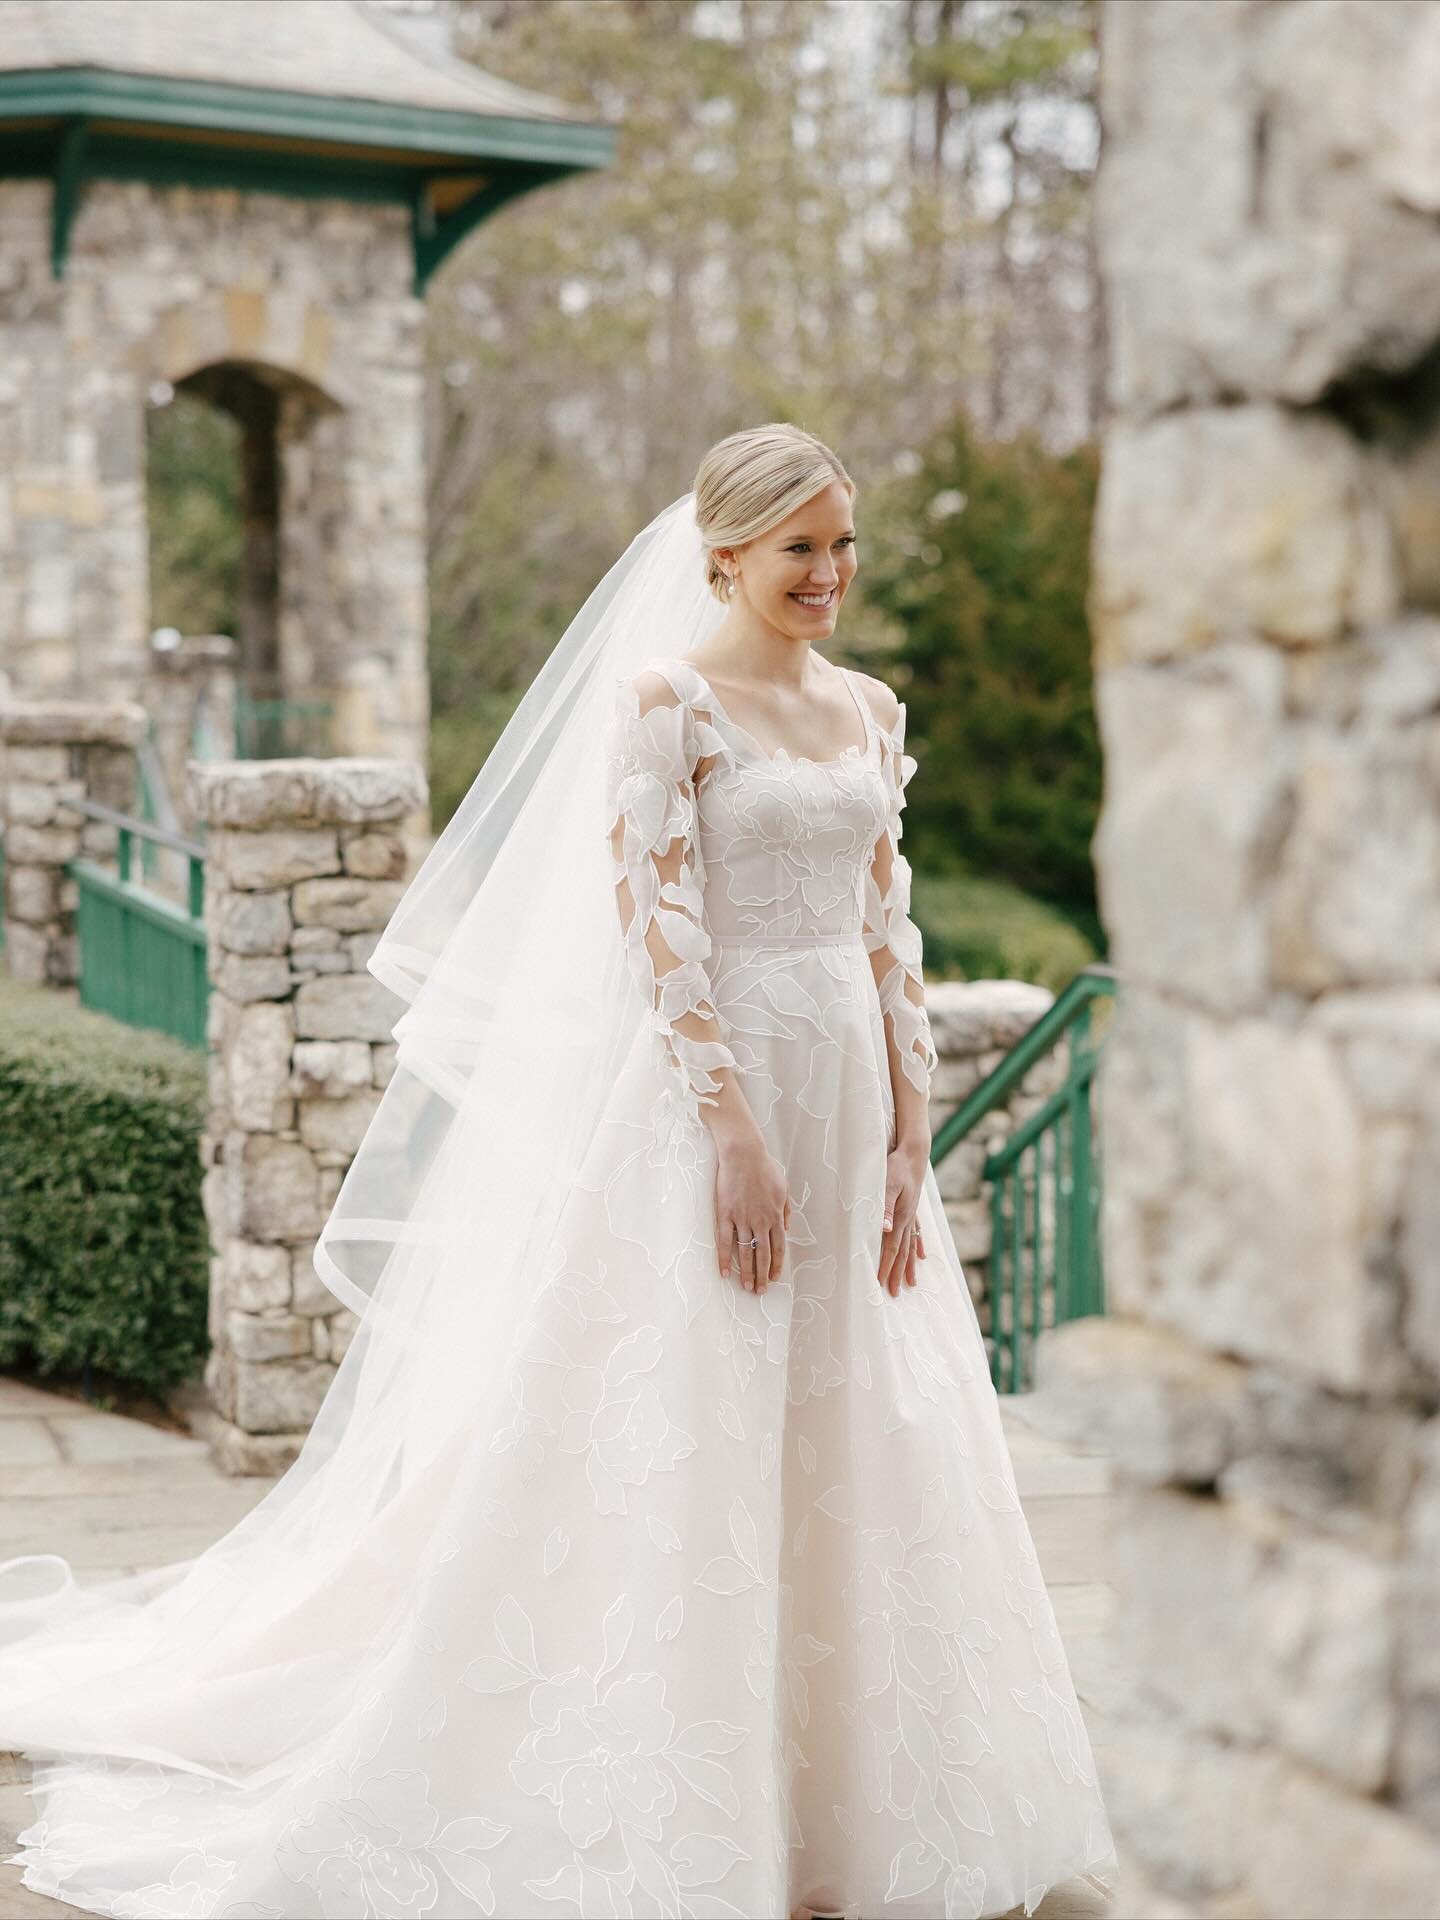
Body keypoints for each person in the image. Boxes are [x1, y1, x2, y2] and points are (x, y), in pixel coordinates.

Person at [0, 423, 1118, 1920]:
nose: (829, 574)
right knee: (697, 1424)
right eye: (800, 548)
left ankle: (862, 1808)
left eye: (842, 544)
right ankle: (697, 1810)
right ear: (722, 551)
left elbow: (887, 930)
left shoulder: (867, 710)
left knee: (871, 1419)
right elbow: (657, 926)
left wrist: (916, 1132)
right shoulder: (668, 701)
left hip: (854, 1107)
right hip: (718, 1110)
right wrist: (731, 1132)